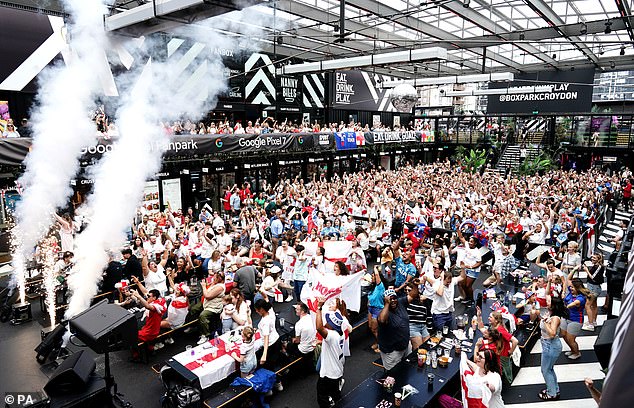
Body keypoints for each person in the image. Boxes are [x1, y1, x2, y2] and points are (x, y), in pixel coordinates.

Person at [315, 297, 346, 408]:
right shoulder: (339, 334)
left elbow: (318, 327)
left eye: (328, 321)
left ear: (331, 325)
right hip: (337, 370)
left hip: (329, 373)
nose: (325, 322)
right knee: (335, 394)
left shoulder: (331, 335)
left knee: (322, 396)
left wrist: (319, 308)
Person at [476, 309, 518, 386]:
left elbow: (515, 341)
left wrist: (510, 351)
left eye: (490, 317)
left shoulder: (500, 330)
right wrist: (479, 316)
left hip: (503, 355)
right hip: (499, 353)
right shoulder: (494, 328)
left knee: (505, 369)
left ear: (496, 320)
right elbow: (481, 328)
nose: (488, 318)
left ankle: (507, 381)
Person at [539, 297, 568, 401]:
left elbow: (552, 334)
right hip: (549, 345)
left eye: (549, 301)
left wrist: (545, 322)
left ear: (553, 305)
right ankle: (554, 390)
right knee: (549, 369)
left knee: (545, 370)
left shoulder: (555, 318)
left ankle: (552, 394)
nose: (547, 302)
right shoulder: (551, 315)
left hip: (550, 345)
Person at [377, 288, 412, 371]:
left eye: (394, 298)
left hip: (405, 346)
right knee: (393, 374)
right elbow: (382, 320)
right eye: (390, 299)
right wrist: (387, 304)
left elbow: (413, 295)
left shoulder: (400, 303)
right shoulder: (383, 313)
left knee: (407, 369)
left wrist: (414, 284)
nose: (392, 300)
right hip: (392, 352)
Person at [254, 299, 283, 391]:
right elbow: (266, 299)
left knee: (269, 366)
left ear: (261, 309)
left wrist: (264, 354)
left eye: (257, 310)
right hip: (277, 340)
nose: (256, 311)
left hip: (270, 345)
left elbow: (266, 338)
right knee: (275, 361)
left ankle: (275, 384)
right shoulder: (270, 312)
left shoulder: (265, 322)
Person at [188, 271, 225, 345]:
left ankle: (206, 335)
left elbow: (207, 296)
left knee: (203, 316)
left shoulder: (220, 287)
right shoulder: (214, 283)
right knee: (193, 309)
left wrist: (204, 286)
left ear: (219, 279)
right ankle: (195, 326)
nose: (213, 278)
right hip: (206, 304)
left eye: (215, 278)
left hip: (213, 307)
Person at [560, 277, 589, 360]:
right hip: (565, 317)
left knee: (570, 339)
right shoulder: (571, 291)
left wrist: (567, 306)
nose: (571, 288)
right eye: (571, 287)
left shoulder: (581, 298)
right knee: (563, 335)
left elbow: (574, 303)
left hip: (575, 320)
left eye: (573, 287)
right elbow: (568, 278)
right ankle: (572, 350)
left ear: (577, 288)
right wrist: (574, 269)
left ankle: (576, 353)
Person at [581, 253, 605, 331]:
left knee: (587, 305)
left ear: (599, 259)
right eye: (592, 257)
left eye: (594, 258)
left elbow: (593, 278)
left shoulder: (599, 267)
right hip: (593, 288)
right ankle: (593, 321)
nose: (592, 259)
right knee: (594, 305)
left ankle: (590, 324)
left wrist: (586, 270)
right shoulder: (597, 266)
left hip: (593, 288)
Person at [367, 266, 386, 353]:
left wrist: (375, 268)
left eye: (373, 276)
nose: (372, 278)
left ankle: (382, 345)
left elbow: (377, 275)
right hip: (371, 308)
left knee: (376, 330)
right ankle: (377, 342)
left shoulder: (380, 286)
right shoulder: (373, 287)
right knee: (371, 327)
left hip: (377, 309)